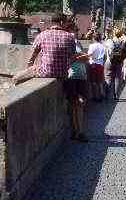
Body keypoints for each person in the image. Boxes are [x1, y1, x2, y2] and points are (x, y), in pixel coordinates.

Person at [14, 13, 89, 141]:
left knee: (19, 77)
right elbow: (72, 57)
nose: (66, 24)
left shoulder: (41, 35)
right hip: (63, 74)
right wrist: (64, 66)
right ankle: (78, 131)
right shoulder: (69, 37)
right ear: (61, 22)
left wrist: (31, 67)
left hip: (45, 73)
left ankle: (15, 86)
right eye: (65, 22)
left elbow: (31, 57)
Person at [66, 26, 90, 139]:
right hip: (72, 76)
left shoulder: (78, 43)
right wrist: (81, 57)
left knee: (79, 104)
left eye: (76, 31)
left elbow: (84, 59)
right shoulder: (67, 42)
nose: (75, 33)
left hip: (81, 76)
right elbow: (70, 58)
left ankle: (78, 131)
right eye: (74, 31)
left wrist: (80, 57)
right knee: (76, 104)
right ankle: (77, 131)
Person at [86, 32, 107, 102]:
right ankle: (101, 94)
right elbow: (104, 57)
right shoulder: (103, 46)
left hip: (94, 64)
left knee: (93, 82)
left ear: (94, 38)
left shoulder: (92, 46)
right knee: (99, 81)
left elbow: (89, 55)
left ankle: (95, 96)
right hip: (100, 65)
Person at [108, 28, 126, 98]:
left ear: (114, 34)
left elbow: (109, 51)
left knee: (111, 77)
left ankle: (110, 93)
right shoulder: (122, 41)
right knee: (117, 77)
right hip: (119, 61)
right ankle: (116, 94)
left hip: (112, 60)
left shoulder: (111, 41)